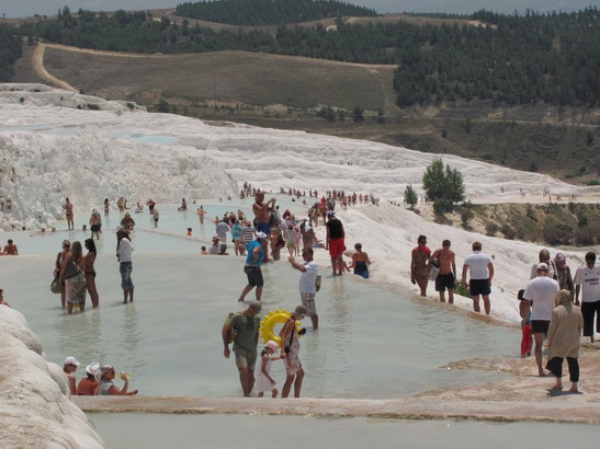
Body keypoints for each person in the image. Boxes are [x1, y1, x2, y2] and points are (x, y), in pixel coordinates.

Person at [522, 263, 560, 376]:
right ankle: (553, 368)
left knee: (538, 345)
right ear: (547, 271)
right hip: (550, 317)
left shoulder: (531, 283)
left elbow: (526, 302)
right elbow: (558, 300)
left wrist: (525, 317)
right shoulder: (554, 283)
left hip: (537, 317)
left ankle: (540, 370)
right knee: (552, 344)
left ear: (537, 271)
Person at [222, 301, 262, 397]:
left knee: (251, 373)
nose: (255, 313)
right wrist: (226, 347)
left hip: (252, 349)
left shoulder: (257, 318)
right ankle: (245, 394)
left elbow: (257, 332)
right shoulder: (238, 317)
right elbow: (225, 330)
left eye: (257, 312)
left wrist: (256, 345)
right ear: (250, 308)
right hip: (240, 348)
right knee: (243, 369)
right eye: (254, 311)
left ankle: (249, 395)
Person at [546, 290, 583, 392]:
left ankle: (559, 384)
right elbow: (580, 326)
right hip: (574, 339)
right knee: (573, 362)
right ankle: (574, 386)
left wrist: (550, 343)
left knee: (557, 361)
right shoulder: (577, 310)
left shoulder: (557, 311)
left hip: (560, 340)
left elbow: (552, 329)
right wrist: (577, 338)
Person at [280, 305, 308, 398]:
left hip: (294, 355)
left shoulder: (291, 321)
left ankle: (297, 398)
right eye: (303, 316)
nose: (303, 318)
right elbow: (283, 335)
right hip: (289, 354)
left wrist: (298, 333)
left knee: (300, 374)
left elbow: (281, 332)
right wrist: (283, 351)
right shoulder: (291, 322)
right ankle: (283, 400)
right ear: (299, 314)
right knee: (290, 378)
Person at [289, 247, 319, 329]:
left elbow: (302, 269)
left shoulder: (313, 264)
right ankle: (293, 326)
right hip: (304, 290)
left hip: (308, 291)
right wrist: (292, 260)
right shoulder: (306, 262)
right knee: (306, 311)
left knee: (312, 312)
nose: (302, 256)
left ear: (309, 254)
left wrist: (292, 261)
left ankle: (315, 329)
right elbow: (296, 266)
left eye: (304, 254)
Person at [461, 241, 494, 314]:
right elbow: (491, 271)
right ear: (481, 248)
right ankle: (487, 314)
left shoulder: (468, 258)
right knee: (486, 299)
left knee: (475, 300)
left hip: (473, 280)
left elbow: (464, 272)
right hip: (484, 280)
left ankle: (477, 315)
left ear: (472, 248)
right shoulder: (486, 257)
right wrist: (489, 280)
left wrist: (464, 282)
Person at [574, 251, 600, 343]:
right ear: (586, 261)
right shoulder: (581, 269)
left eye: (593, 263)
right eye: (589, 263)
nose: (591, 265)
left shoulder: (598, 267)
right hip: (587, 299)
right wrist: (576, 298)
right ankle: (591, 339)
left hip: (598, 297)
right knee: (588, 320)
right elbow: (577, 284)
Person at [237, 232, 267, 302]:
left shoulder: (252, 242)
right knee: (260, 284)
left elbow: (251, 252)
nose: (265, 241)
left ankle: (241, 298)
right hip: (254, 268)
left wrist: (259, 259)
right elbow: (255, 252)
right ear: (261, 240)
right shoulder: (258, 245)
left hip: (247, 267)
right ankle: (258, 301)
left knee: (251, 284)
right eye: (265, 240)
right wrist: (256, 259)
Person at [59, 241, 87, 315]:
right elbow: (83, 269)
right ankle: (82, 318)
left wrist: (61, 277)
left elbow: (64, 267)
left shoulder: (69, 255)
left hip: (72, 280)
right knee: (81, 301)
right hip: (82, 280)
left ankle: (69, 318)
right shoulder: (83, 257)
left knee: (70, 300)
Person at [429, 239, 456, 303]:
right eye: (445, 245)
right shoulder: (438, 252)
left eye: (447, 245)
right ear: (442, 245)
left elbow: (453, 264)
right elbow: (430, 260)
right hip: (440, 274)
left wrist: (455, 275)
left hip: (448, 274)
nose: (446, 246)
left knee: (451, 291)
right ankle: (443, 307)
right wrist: (429, 271)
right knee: (441, 293)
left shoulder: (452, 254)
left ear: (449, 246)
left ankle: (450, 307)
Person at [253, 192, 277, 262]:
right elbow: (261, 209)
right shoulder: (255, 205)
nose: (263, 198)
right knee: (262, 241)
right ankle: (255, 254)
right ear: (257, 197)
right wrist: (269, 201)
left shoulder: (264, 204)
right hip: (261, 224)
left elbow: (272, 209)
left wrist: (273, 203)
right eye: (261, 196)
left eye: (263, 196)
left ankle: (265, 257)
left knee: (266, 241)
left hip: (267, 225)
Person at [117, 229, 134, 304]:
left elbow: (118, 251)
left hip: (124, 264)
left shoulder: (123, 241)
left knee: (125, 283)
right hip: (129, 263)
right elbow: (132, 249)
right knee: (129, 281)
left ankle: (125, 300)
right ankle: (131, 299)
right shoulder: (128, 240)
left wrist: (118, 242)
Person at [325, 211, 346, 276]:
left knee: (333, 257)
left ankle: (334, 272)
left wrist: (327, 245)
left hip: (333, 241)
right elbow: (343, 232)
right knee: (340, 256)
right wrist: (343, 241)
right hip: (341, 239)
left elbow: (328, 234)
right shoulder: (339, 221)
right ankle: (340, 272)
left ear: (328, 217)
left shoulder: (328, 223)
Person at [84, 238, 99, 308]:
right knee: (93, 291)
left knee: (92, 292)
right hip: (89, 272)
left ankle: (95, 306)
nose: (85, 245)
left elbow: (86, 263)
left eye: (86, 244)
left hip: (88, 273)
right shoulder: (92, 253)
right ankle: (95, 306)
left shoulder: (90, 254)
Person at [55, 240, 71, 308]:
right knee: (63, 291)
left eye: (67, 246)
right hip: (62, 273)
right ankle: (64, 306)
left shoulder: (71, 254)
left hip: (69, 274)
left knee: (69, 290)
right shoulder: (60, 254)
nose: (65, 247)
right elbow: (57, 263)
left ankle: (68, 305)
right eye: (65, 246)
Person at [518, 289, 532, 358]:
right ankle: (529, 352)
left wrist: (524, 318)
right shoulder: (526, 303)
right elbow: (526, 312)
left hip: (523, 322)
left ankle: (523, 353)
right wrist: (526, 319)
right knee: (529, 337)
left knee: (524, 338)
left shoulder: (521, 304)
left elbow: (521, 313)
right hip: (528, 322)